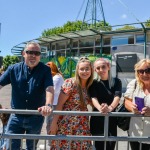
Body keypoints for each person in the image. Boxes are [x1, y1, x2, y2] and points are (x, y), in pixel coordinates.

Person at [0, 41, 54, 150]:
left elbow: (49, 88)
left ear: (40, 56)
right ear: (23, 53)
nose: (33, 55)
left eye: (37, 53)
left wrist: (48, 105)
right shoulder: (13, 69)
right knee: (11, 146)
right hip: (16, 116)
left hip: (35, 116)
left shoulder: (45, 70)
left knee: (32, 147)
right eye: (30, 52)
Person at [49, 57, 94, 150]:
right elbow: (59, 104)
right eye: (82, 69)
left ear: (91, 70)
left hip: (82, 125)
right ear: (77, 70)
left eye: (87, 69)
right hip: (67, 124)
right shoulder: (70, 82)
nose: (84, 71)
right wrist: (54, 123)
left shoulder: (90, 86)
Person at [88, 58, 122, 150]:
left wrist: (110, 108)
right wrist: (101, 109)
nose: (101, 70)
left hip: (111, 119)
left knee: (110, 146)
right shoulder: (93, 83)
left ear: (108, 67)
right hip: (97, 118)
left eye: (103, 67)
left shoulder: (116, 81)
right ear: (95, 70)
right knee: (98, 146)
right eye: (98, 68)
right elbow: (93, 98)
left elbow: (117, 97)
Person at [124, 59, 150, 150]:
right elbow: (127, 101)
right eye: (141, 71)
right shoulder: (134, 84)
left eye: (148, 71)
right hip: (135, 134)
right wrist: (132, 107)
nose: (144, 74)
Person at [45, 62, 64, 143]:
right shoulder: (57, 77)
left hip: (54, 104)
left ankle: (51, 144)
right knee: (50, 124)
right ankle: (52, 143)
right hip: (54, 103)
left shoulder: (56, 78)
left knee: (51, 124)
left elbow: (52, 90)